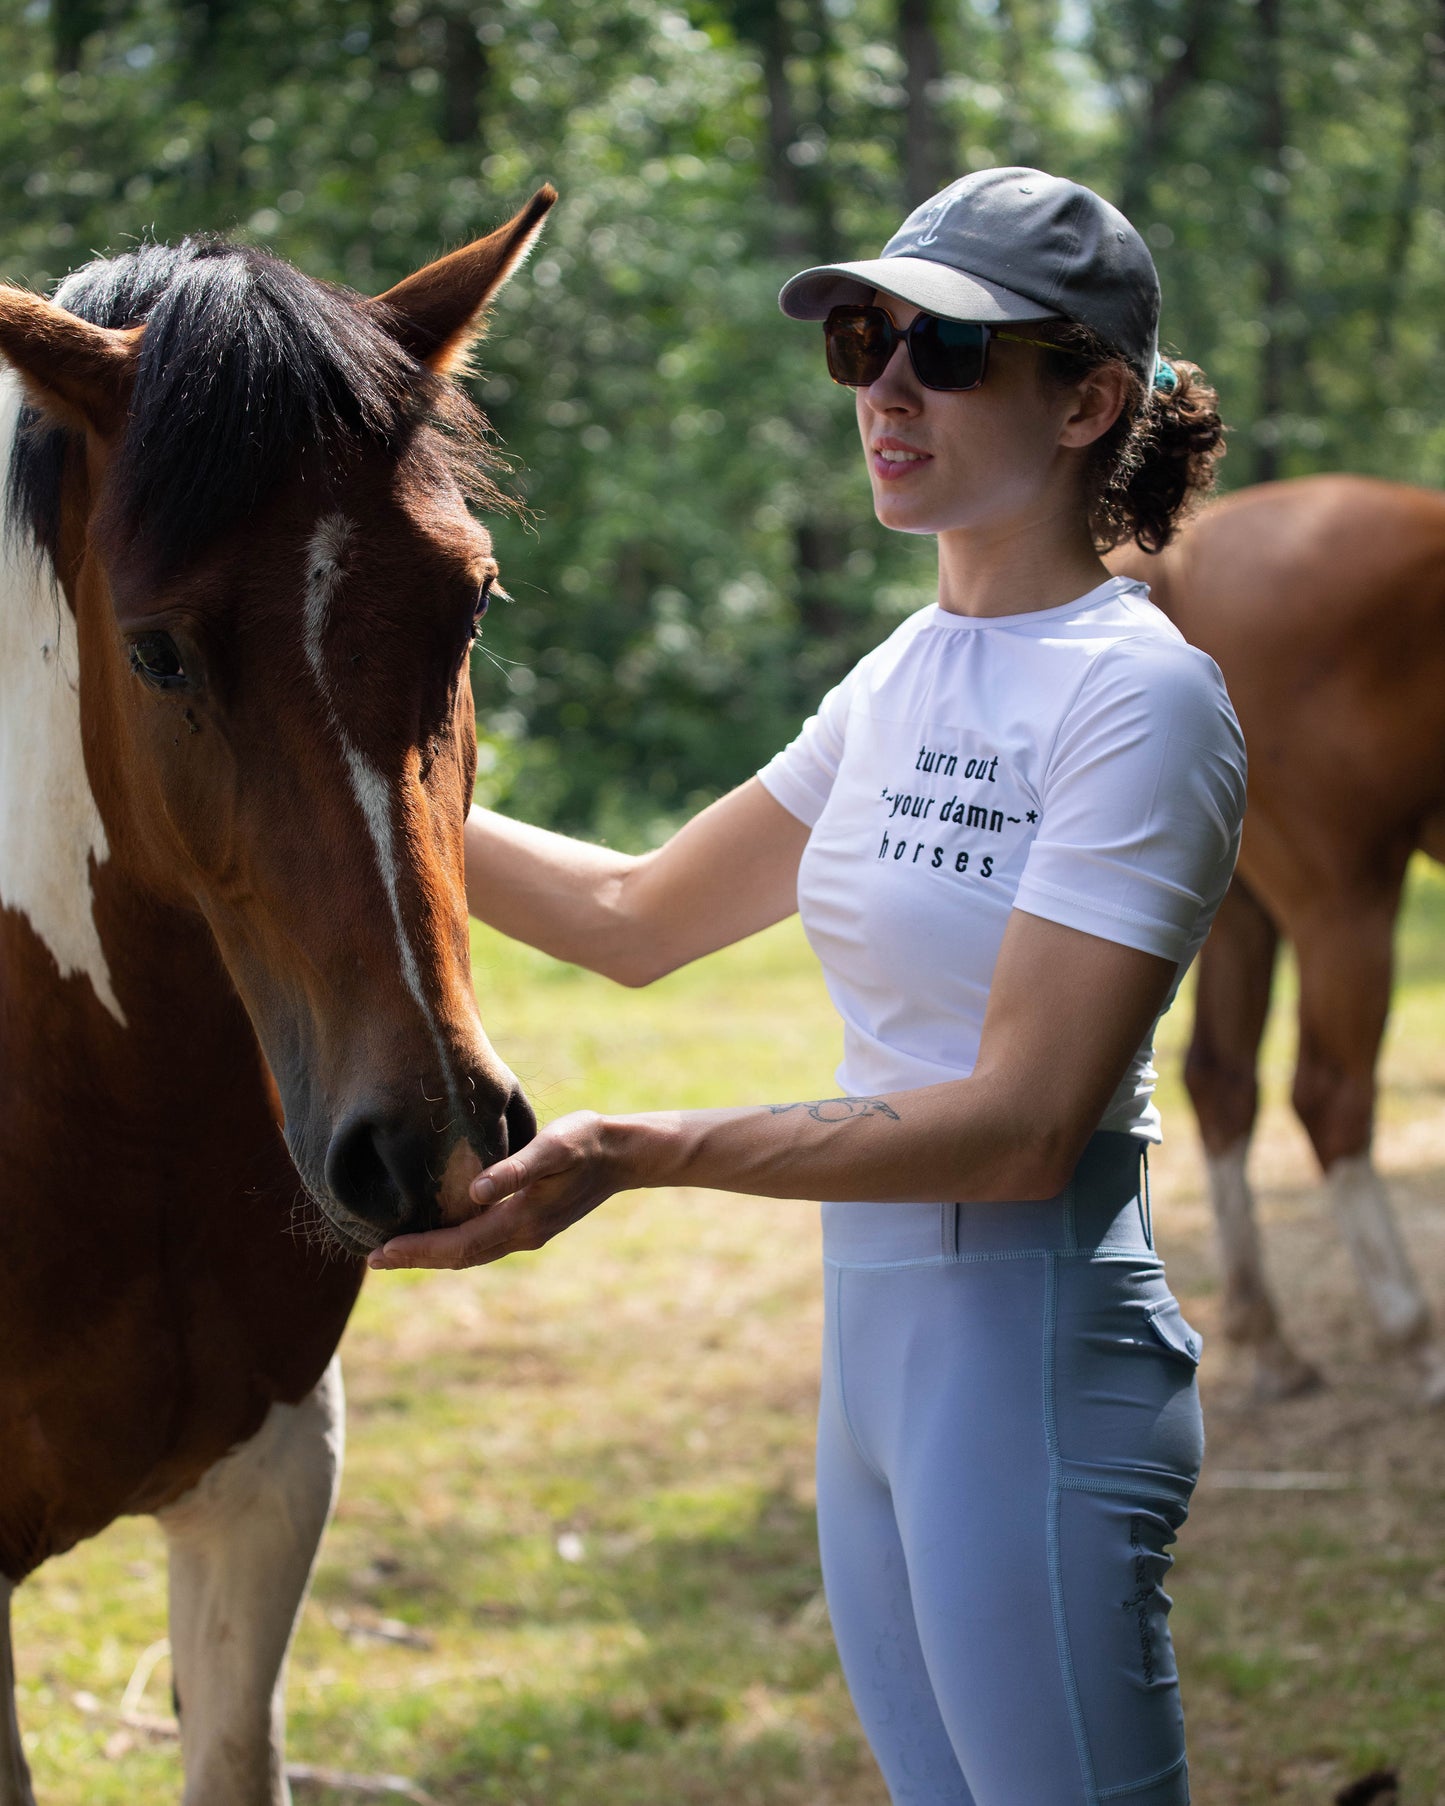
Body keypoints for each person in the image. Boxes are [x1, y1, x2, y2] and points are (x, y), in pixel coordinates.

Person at [367, 167, 1244, 1806]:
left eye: (948, 350)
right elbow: (634, 913)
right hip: (879, 1376)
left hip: (1032, 1369)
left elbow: (1018, 1130)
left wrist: (642, 1151)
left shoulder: (1142, 702)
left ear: (1089, 400)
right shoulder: (902, 672)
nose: (885, 387)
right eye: (862, 340)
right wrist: (345, 772)